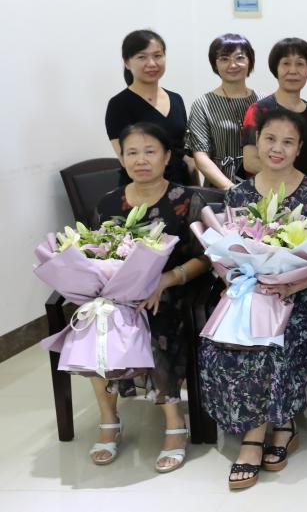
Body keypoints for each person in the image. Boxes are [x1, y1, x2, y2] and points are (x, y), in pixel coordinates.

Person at [199, 108, 307, 490]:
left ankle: (253, 438)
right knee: (223, 340)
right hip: (250, 290)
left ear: (299, 148)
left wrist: (293, 285)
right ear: (257, 143)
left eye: (288, 142)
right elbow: (225, 251)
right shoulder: (238, 194)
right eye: (270, 139)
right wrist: (235, 278)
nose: (278, 148)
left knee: (274, 340)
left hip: (301, 294)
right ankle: (281, 424)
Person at [90, 122, 210, 473]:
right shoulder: (108, 203)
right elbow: (94, 253)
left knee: (155, 320)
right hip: (118, 294)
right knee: (94, 323)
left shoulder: (187, 200)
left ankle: (174, 421)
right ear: (122, 158)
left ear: (167, 156)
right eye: (132, 152)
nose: (140, 160)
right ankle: (109, 419)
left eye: (150, 151)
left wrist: (167, 279)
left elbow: (206, 258)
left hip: (171, 289)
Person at [105, 29, 191, 186]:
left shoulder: (176, 99)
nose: (151, 63)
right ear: (127, 62)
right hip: (143, 190)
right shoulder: (119, 104)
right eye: (141, 57)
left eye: (157, 56)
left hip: (181, 187)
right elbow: (127, 160)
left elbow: (183, 151)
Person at [240, 38, 307, 183]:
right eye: (286, 63)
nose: (293, 71)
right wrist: (299, 182)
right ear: (275, 68)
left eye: (300, 64)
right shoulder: (259, 110)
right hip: (270, 194)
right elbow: (250, 162)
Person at [187, 33, 260, 188]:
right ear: (215, 64)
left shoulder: (263, 101)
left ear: (250, 60)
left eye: (239, 58)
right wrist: (230, 189)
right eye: (224, 59)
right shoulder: (203, 104)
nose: (232, 65)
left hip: (262, 183)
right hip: (219, 186)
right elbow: (201, 156)